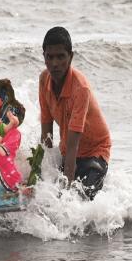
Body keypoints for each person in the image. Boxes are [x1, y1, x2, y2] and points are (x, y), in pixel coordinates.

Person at [39, 27, 111, 200]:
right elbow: (46, 135)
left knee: (79, 199)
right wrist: (41, 173)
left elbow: (73, 146)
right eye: (50, 57)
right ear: (44, 57)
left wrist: (67, 194)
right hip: (68, 151)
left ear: (70, 57)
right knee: (45, 191)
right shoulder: (44, 80)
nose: (55, 63)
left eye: (61, 56)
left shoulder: (81, 88)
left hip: (95, 152)